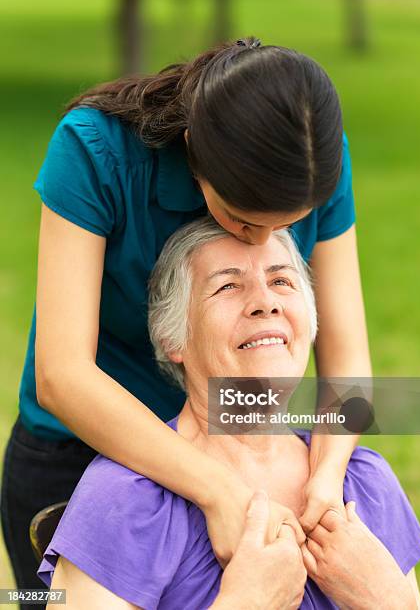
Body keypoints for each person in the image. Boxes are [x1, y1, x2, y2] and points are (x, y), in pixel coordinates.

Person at [1, 36, 372, 605]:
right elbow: (61, 374)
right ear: (196, 148)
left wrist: (325, 474)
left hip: (236, 446)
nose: (268, 244)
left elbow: (347, 361)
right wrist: (220, 494)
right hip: (78, 458)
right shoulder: (93, 152)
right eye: (245, 219)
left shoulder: (312, 162)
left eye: (288, 226)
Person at [37, 218, 420, 609]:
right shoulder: (123, 500)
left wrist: (391, 601)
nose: (266, 302)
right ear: (174, 337)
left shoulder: (365, 485)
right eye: (228, 286)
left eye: (281, 282)